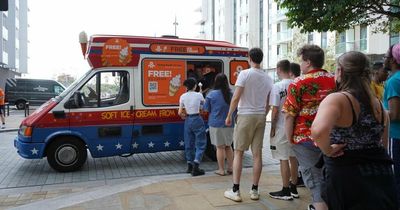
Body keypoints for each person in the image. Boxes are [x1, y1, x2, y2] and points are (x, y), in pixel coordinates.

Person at [311, 51, 398, 210]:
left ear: (340, 71)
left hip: (347, 174)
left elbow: (317, 131)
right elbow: (383, 144)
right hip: (379, 174)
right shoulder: (377, 103)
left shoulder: (338, 99)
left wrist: (328, 150)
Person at [282, 44, 335, 210]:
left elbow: (290, 115)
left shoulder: (297, 83)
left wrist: (290, 138)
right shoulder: (335, 80)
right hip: (332, 136)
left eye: (302, 61)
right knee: (330, 177)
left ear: (309, 62)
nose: (301, 64)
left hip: (305, 138)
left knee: (314, 179)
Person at [223, 47, 273, 202]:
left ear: (250, 58)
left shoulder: (244, 74)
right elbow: (268, 102)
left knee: (238, 152)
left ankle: (236, 191)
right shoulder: (268, 78)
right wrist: (263, 115)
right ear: (261, 59)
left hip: (245, 115)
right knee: (257, 154)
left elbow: (236, 97)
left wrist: (229, 114)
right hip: (260, 116)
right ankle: (254, 191)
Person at [268, 60, 299, 200]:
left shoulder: (277, 86)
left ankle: (285, 190)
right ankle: (294, 187)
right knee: (293, 158)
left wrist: (272, 127)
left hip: (281, 126)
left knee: (283, 158)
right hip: (295, 126)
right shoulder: (296, 84)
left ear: (279, 69)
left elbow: (275, 109)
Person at [203, 73, 234, 176]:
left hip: (216, 124)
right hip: (229, 124)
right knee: (228, 146)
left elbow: (206, 109)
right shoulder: (231, 94)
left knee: (220, 147)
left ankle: (221, 170)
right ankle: (231, 168)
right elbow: (236, 109)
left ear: (216, 81)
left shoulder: (211, 94)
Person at [178, 77, 207, 176]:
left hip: (188, 120)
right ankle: (196, 165)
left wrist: (183, 116)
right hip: (197, 119)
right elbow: (204, 106)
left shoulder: (183, 96)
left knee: (188, 142)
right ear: (195, 86)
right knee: (200, 143)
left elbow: (179, 112)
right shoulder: (199, 95)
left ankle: (189, 165)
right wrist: (201, 93)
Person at [383, 43, 400, 204]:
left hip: (395, 137)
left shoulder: (394, 81)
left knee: (395, 179)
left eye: (387, 56)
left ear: (394, 60)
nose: (385, 59)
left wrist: (377, 111)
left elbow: (394, 115)